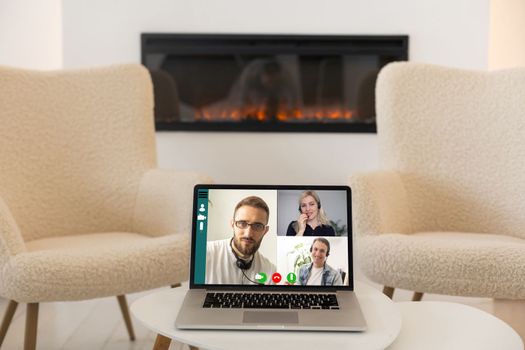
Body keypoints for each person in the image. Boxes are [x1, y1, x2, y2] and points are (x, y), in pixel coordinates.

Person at [206, 196, 276, 285]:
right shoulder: (205, 253)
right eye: (242, 223)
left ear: (265, 231)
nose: (248, 234)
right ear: (232, 224)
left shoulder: (270, 271)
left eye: (257, 226)